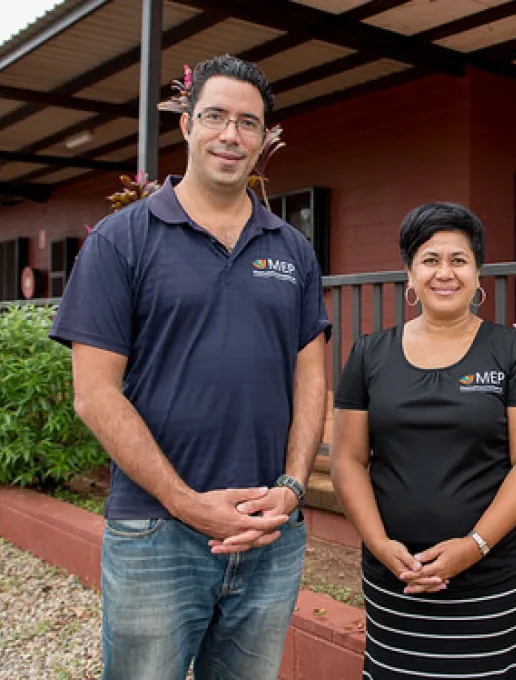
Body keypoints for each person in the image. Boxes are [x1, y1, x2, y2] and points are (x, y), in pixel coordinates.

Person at [49, 54, 330, 680]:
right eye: (215, 117)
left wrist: (291, 487)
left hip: (270, 535)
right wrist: (183, 501)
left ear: (265, 138)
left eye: (248, 123)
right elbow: (95, 394)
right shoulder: (121, 241)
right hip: (156, 532)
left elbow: (311, 377)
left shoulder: (291, 249)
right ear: (186, 126)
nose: (231, 135)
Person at [331, 202, 516, 679]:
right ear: (409, 276)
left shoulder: (513, 351)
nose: (444, 273)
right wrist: (379, 544)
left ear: (478, 276)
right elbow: (348, 460)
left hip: (488, 579)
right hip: (397, 575)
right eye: (430, 260)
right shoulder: (369, 354)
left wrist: (472, 546)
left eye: (459, 259)